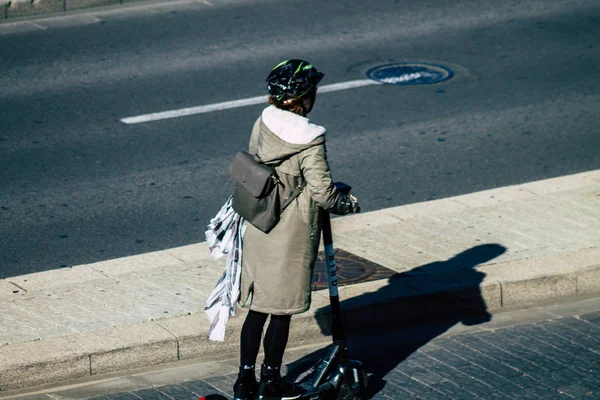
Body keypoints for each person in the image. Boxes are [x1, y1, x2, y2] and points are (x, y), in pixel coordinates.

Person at [232, 59, 360, 400]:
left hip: (260, 221)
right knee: (281, 309)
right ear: (304, 98)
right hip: (290, 231)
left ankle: (244, 381)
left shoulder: (264, 121)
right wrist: (348, 204)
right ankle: (271, 382)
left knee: (258, 307)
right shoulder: (310, 141)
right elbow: (323, 193)